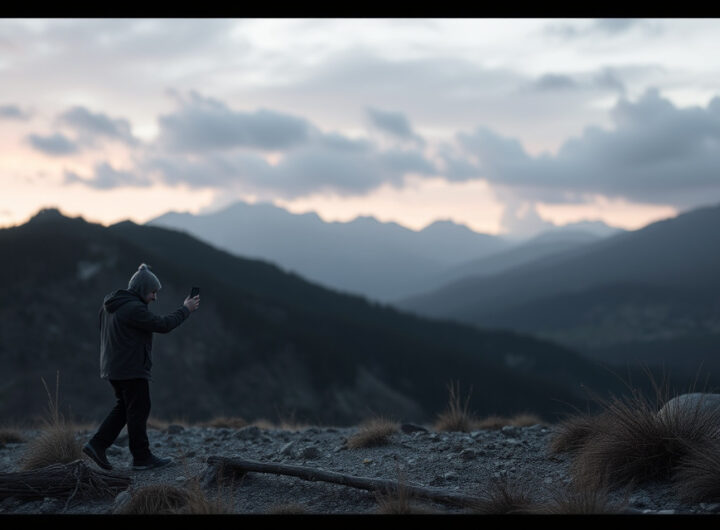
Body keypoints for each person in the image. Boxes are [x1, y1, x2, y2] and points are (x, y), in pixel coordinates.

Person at [82, 263, 200, 471]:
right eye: (153, 292)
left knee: (125, 408)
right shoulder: (133, 308)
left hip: (113, 367)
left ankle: (97, 445)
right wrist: (186, 309)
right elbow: (163, 325)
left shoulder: (110, 305)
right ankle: (141, 457)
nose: (155, 297)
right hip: (130, 367)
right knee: (139, 409)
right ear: (142, 290)